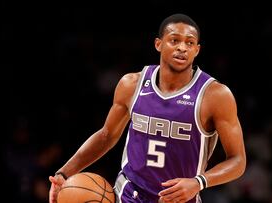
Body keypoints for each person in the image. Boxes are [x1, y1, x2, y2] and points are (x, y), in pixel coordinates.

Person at [49, 13, 246, 203]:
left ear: (197, 50)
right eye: (174, 40)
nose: (182, 48)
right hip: (128, 194)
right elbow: (106, 136)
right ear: (158, 44)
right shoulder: (131, 84)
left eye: (190, 42)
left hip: (178, 200)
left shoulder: (215, 95)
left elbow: (238, 161)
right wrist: (63, 173)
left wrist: (198, 182)